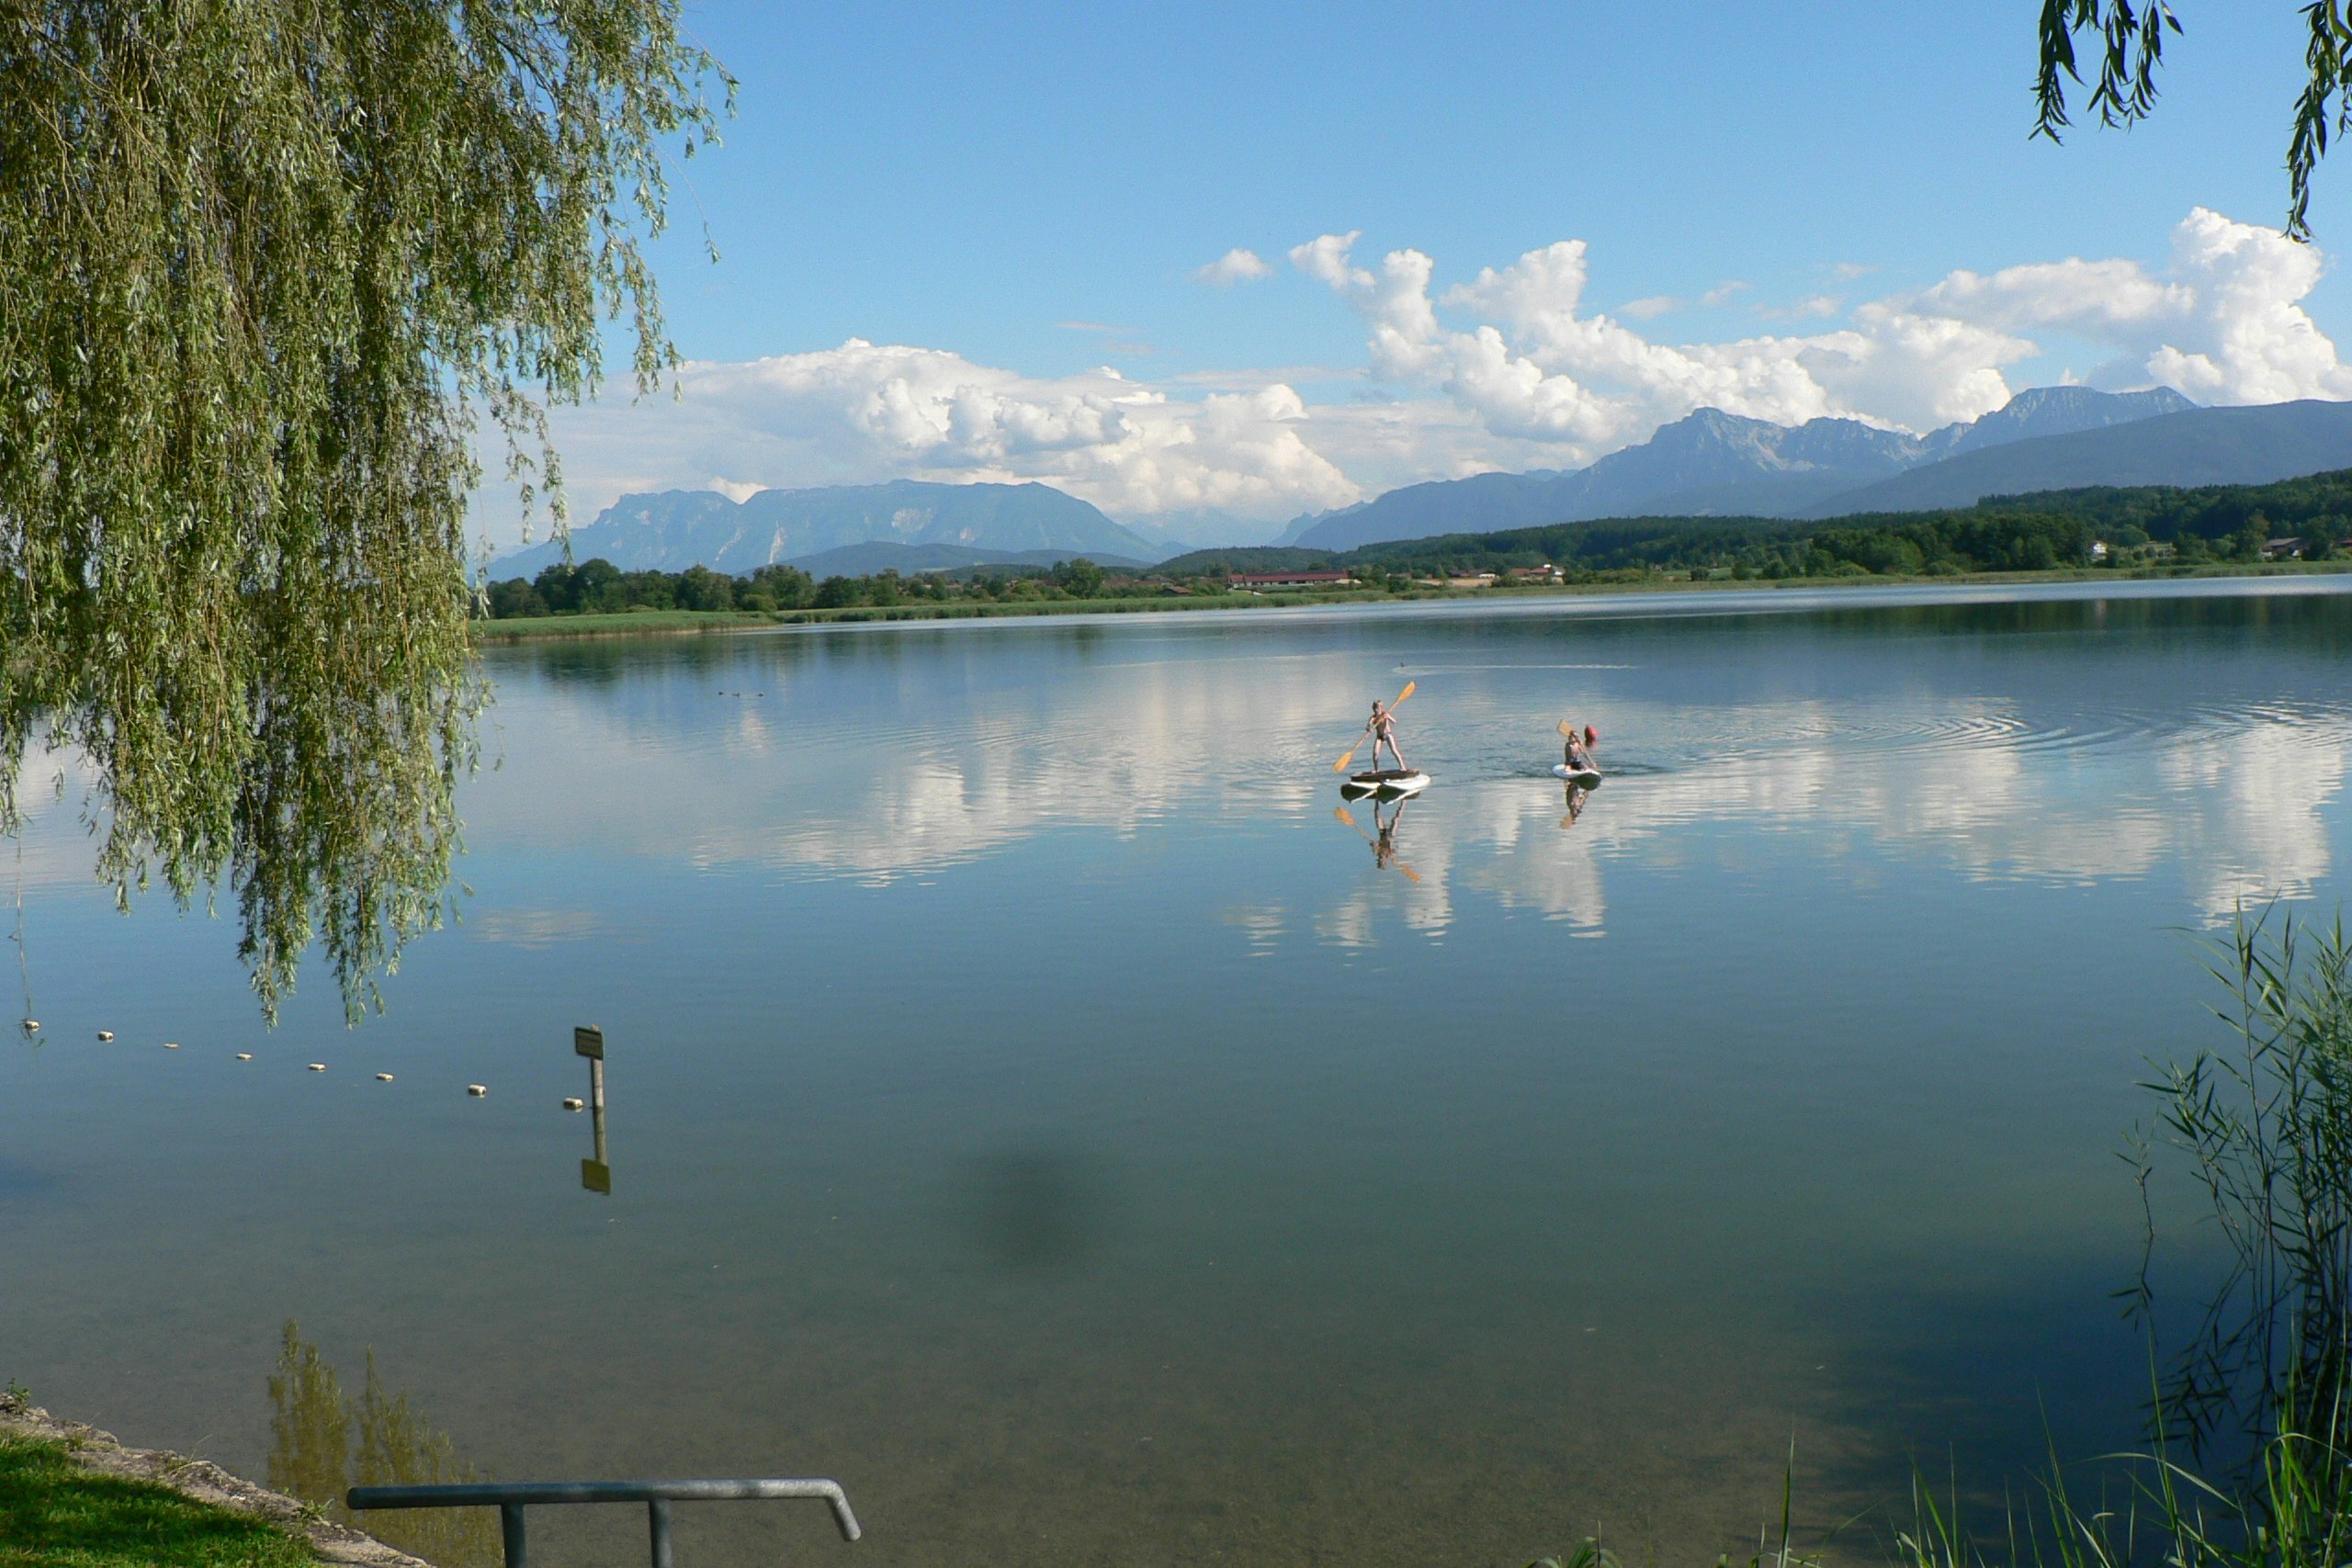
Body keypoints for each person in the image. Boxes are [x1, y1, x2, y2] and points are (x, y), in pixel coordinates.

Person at [1366, 699, 1408, 773]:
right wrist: (1369, 728)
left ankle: (1402, 767)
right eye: (1375, 708)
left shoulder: (1384, 714)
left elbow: (1394, 721)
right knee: (1375, 753)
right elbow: (1367, 727)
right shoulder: (1373, 718)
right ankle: (1376, 770)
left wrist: (1388, 717)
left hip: (1388, 734)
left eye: (1377, 708)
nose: (1376, 710)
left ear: (1381, 708)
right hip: (1379, 737)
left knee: (1394, 751)